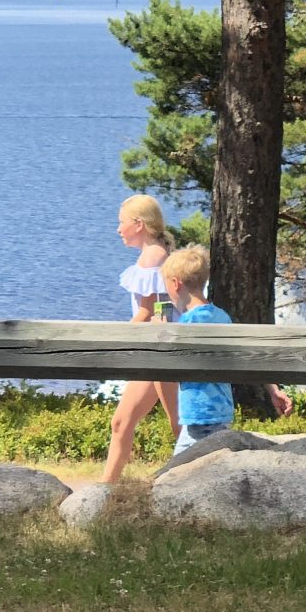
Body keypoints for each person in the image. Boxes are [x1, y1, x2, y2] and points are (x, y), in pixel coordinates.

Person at [159, 245, 292, 452]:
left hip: (198, 413)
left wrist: (160, 333)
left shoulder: (186, 323)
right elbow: (245, 355)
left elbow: (171, 363)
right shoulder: (222, 317)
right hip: (221, 411)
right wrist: (272, 388)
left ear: (176, 284)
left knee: (177, 471)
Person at [101, 195, 182, 484]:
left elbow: (147, 313)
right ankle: (106, 488)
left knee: (176, 423)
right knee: (123, 422)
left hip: (158, 350)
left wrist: (112, 340)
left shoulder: (153, 257)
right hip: (156, 348)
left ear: (138, 224)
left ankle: (193, 476)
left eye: (121, 223)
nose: (118, 229)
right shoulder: (156, 253)